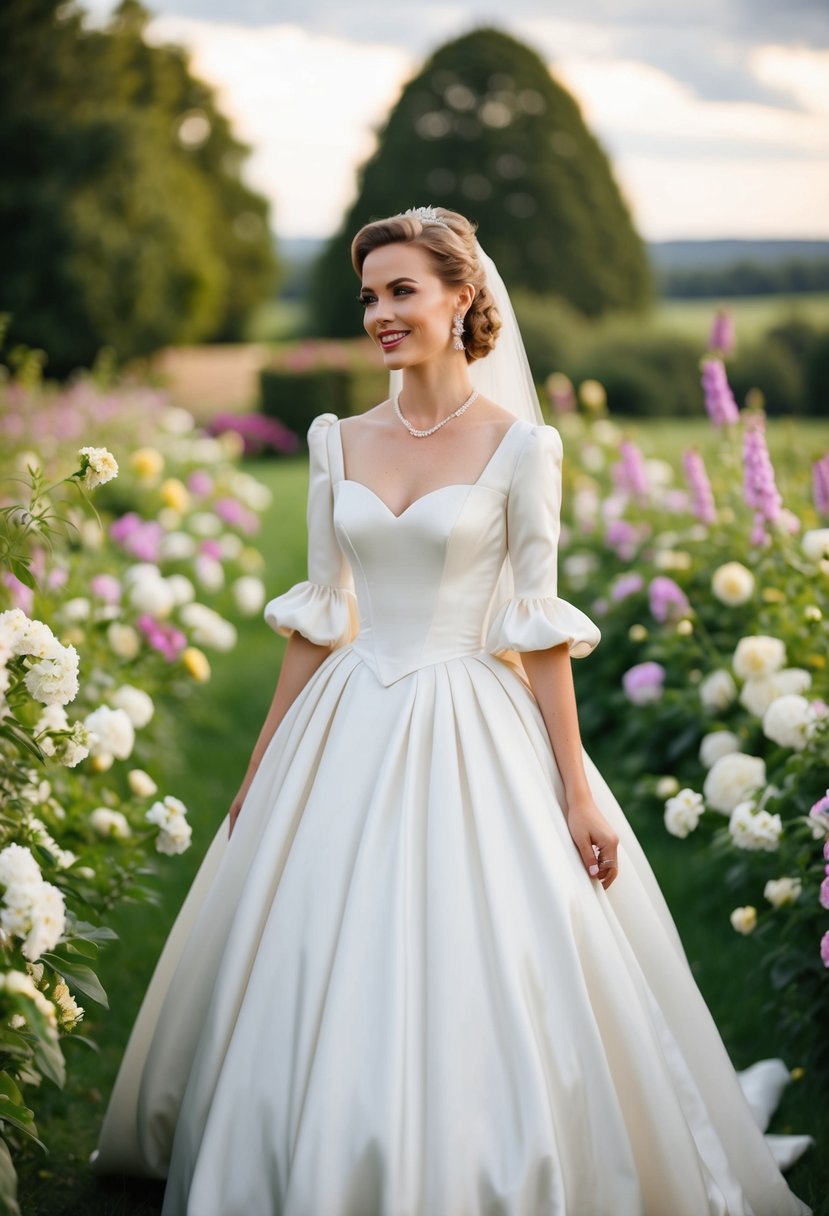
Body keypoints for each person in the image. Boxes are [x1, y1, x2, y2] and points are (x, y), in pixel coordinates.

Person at [89, 205, 814, 1215]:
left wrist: (575, 791)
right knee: (316, 941)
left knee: (492, 947)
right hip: (347, 714)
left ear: (461, 297)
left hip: (476, 722)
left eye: (402, 290)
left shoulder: (522, 449)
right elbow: (317, 618)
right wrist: (261, 769)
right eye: (368, 296)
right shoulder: (334, 439)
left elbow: (538, 629)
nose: (380, 313)